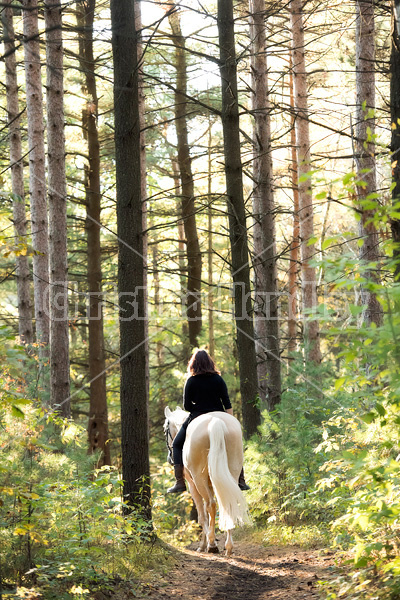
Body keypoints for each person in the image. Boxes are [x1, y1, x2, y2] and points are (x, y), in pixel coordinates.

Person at [167, 349, 250, 493]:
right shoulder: (218, 379)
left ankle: (179, 482)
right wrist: (230, 419)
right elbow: (227, 402)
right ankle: (241, 480)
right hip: (219, 414)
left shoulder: (191, 381)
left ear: (194, 364)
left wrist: (198, 406)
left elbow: (187, 406)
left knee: (176, 444)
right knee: (236, 442)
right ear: (210, 363)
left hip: (197, 415)